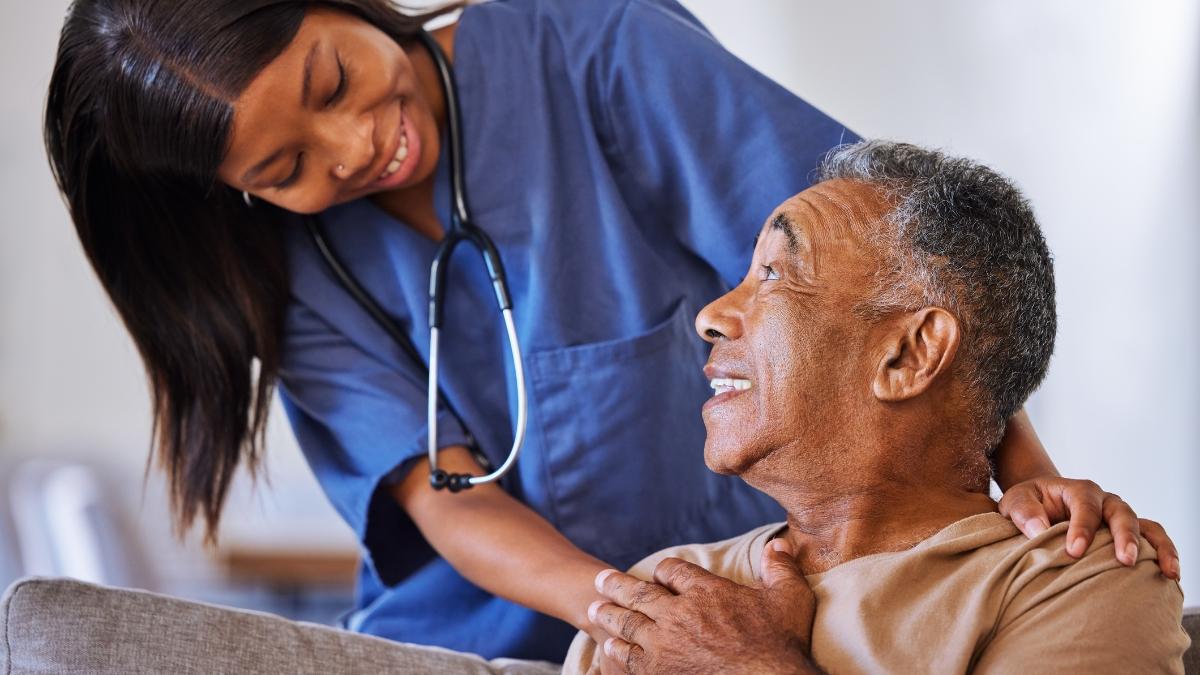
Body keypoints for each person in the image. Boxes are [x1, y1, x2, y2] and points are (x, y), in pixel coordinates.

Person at [43, 0, 1179, 662]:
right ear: (235, 193)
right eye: (284, 168)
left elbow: (892, 276)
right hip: (505, 638)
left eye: (336, 79)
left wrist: (1028, 484)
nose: (351, 149)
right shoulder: (299, 268)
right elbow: (448, 494)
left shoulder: (592, 49)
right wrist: (638, 617)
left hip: (762, 613)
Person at [574, 141, 1191, 674]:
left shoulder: (1076, 582)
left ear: (909, 355)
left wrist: (740, 665)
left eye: (772, 275)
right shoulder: (663, 594)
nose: (711, 317)